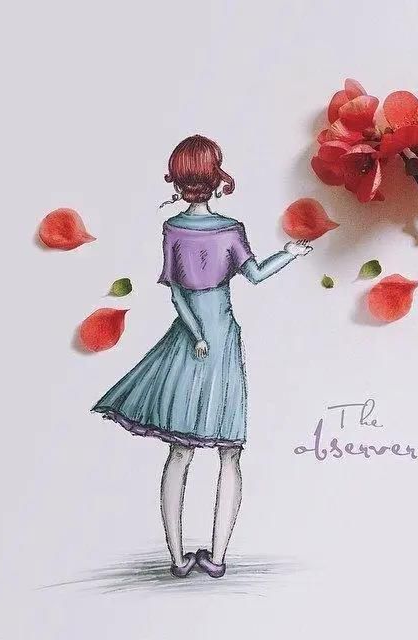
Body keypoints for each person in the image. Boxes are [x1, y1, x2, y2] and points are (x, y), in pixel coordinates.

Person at [92, 134, 312, 578]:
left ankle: (177, 560)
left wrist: (194, 334)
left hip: (191, 340)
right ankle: (217, 558)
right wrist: (288, 254)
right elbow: (255, 275)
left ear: (177, 181)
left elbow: (176, 293)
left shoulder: (172, 228)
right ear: (217, 178)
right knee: (229, 452)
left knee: (180, 450)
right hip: (222, 338)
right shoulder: (230, 229)